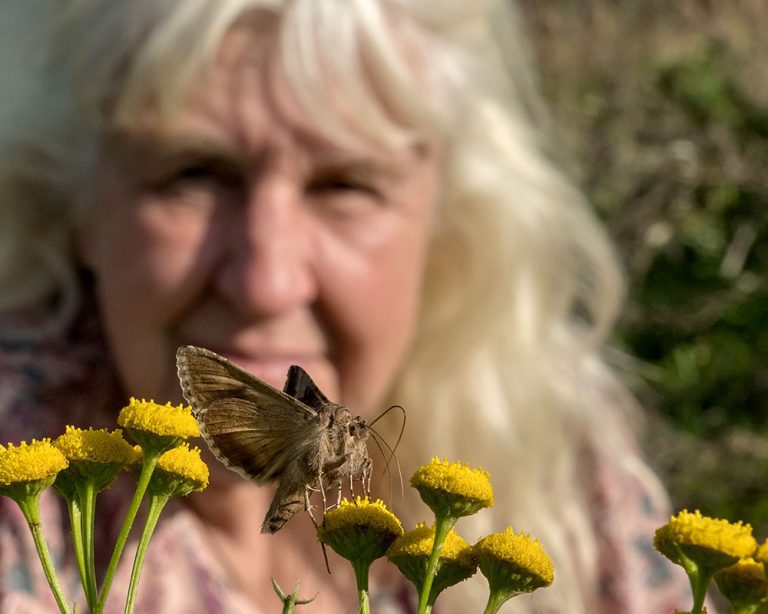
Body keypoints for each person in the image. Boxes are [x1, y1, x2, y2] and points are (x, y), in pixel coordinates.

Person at [0, 0, 692, 612]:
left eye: (346, 186)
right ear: (80, 201)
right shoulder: (24, 476)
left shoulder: (557, 459)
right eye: (196, 174)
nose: (267, 281)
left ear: (446, 221)